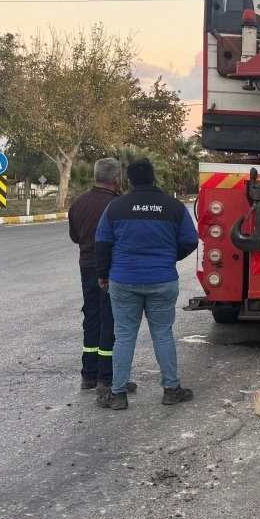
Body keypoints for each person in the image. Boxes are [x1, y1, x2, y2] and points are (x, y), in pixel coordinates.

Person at [94, 158, 197, 410]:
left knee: (124, 336)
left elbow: (102, 244)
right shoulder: (174, 207)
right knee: (162, 334)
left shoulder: (116, 207)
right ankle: (171, 389)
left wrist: (103, 274)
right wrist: (168, 257)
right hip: (162, 280)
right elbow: (190, 240)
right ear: (154, 178)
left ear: (127, 180)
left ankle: (117, 394)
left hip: (124, 280)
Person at [67, 157, 135, 395]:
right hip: (111, 268)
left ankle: (88, 375)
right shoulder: (119, 205)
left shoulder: (79, 203)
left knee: (92, 316)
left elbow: (75, 237)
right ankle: (107, 377)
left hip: (86, 266)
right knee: (111, 320)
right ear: (117, 179)